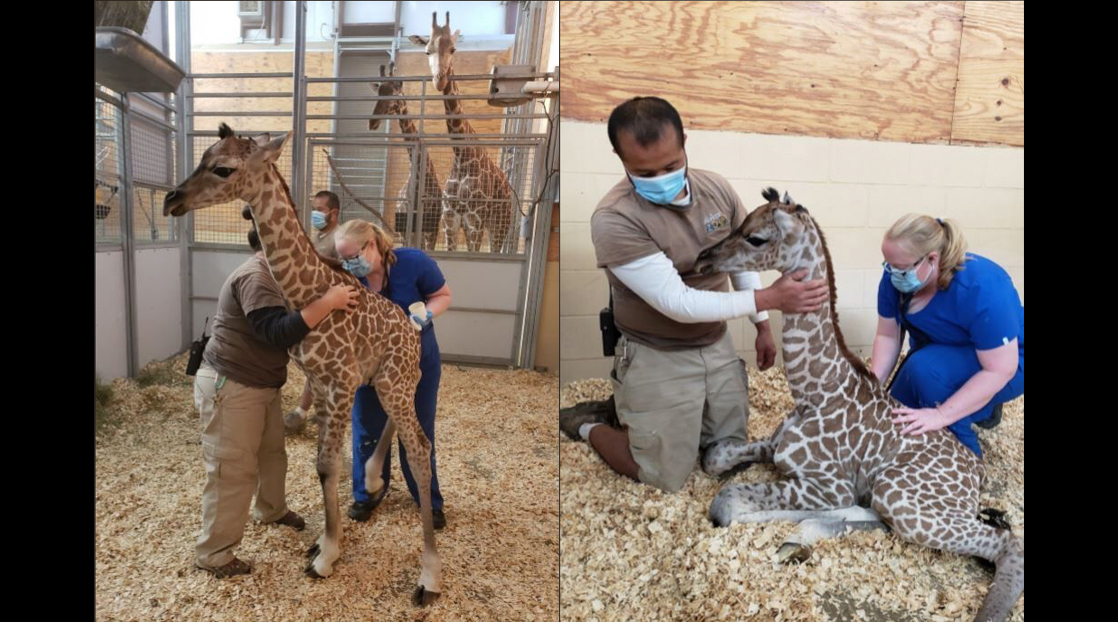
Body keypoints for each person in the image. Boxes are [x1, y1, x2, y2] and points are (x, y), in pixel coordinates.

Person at [559, 96, 830, 493]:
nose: (661, 179)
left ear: (685, 141)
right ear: (620, 158)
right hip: (657, 349)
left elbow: (743, 259)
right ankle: (589, 424)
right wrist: (770, 300)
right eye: (644, 172)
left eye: (671, 166)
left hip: (714, 342)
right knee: (661, 474)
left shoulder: (716, 188)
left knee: (726, 453)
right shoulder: (614, 218)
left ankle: (635, 411)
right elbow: (678, 304)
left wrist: (762, 326)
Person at [193, 208, 358, 578]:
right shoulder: (257, 277)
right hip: (232, 385)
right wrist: (328, 303)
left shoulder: (277, 274)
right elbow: (277, 332)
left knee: (272, 454)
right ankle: (214, 553)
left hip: (262, 384)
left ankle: (271, 509)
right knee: (232, 469)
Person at [333, 219, 453, 529]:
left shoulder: (413, 262)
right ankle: (367, 494)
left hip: (415, 358)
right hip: (367, 363)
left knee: (417, 426)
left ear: (371, 244)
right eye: (342, 259)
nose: (348, 264)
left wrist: (427, 314)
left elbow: (442, 295)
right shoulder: (347, 277)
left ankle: (427, 497)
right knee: (366, 427)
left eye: (351, 257)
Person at [872, 214, 1024, 458]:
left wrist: (939, 415)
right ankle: (979, 405)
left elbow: (1001, 369)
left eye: (900, 267)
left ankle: (968, 459)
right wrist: (871, 386)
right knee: (896, 414)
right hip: (944, 352)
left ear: (932, 258)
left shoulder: (982, 286)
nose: (892, 273)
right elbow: (888, 337)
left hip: (1009, 361)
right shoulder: (896, 277)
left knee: (926, 373)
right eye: (888, 264)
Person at [285, 191, 344, 432]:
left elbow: (344, 274)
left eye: (320, 209)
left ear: (333, 213)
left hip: (331, 312)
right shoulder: (317, 236)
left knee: (321, 365)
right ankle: (314, 411)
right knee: (315, 365)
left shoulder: (339, 239)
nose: (315, 214)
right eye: (314, 209)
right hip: (315, 309)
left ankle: (305, 411)